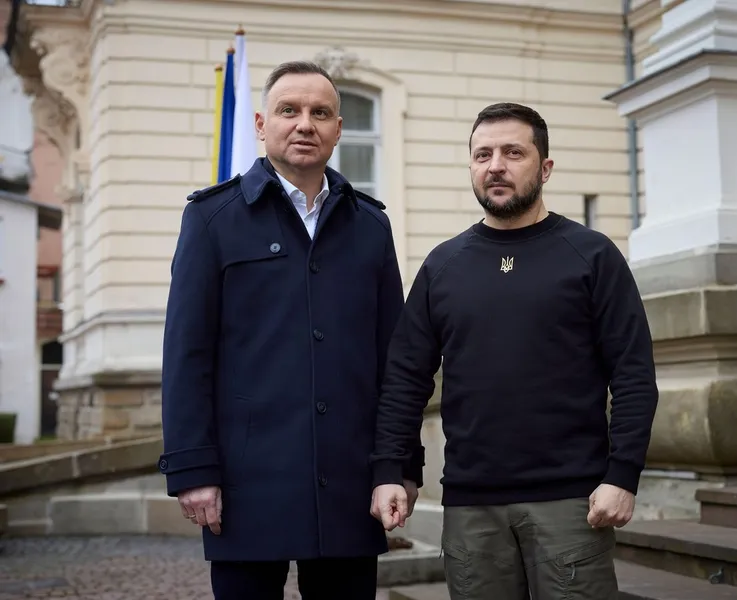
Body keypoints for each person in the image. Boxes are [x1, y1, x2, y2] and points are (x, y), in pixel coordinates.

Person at [157, 60, 424, 600]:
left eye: (320, 112)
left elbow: (393, 362)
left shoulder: (370, 225)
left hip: (352, 483)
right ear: (261, 124)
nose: (305, 124)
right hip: (247, 483)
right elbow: (187, 355)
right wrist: (193, 469)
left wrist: (397, 466)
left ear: (338, 129)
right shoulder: (212, 219)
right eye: (289, 111)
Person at [369, 102, 658, 599]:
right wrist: (394, 470)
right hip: (471, 507)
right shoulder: (443, 266)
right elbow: (404, 378)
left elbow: (632, 374)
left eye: (512, 152)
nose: (495, 165)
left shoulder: (591, 255)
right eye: (482, 154)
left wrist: (623, 475)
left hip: (572, 502)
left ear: (544, 167)